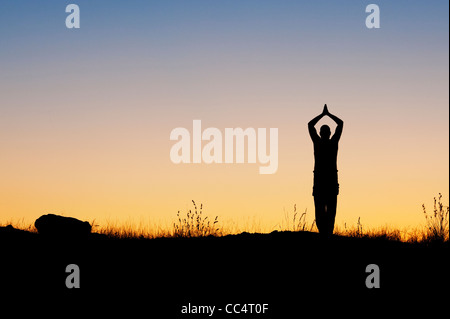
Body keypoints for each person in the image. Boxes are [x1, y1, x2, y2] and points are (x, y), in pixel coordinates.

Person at [308, 104, 343, 237]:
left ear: (322, 133)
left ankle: (326, 234)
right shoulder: (332, 143)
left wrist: (323, 115)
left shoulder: (320, 143)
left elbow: (310, 125)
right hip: (326, 183)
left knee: (325, 212)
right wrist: (327, 115)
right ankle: (325, 234)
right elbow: (340, 124)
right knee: (326, 213)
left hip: (324, 183)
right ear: (328, 133)